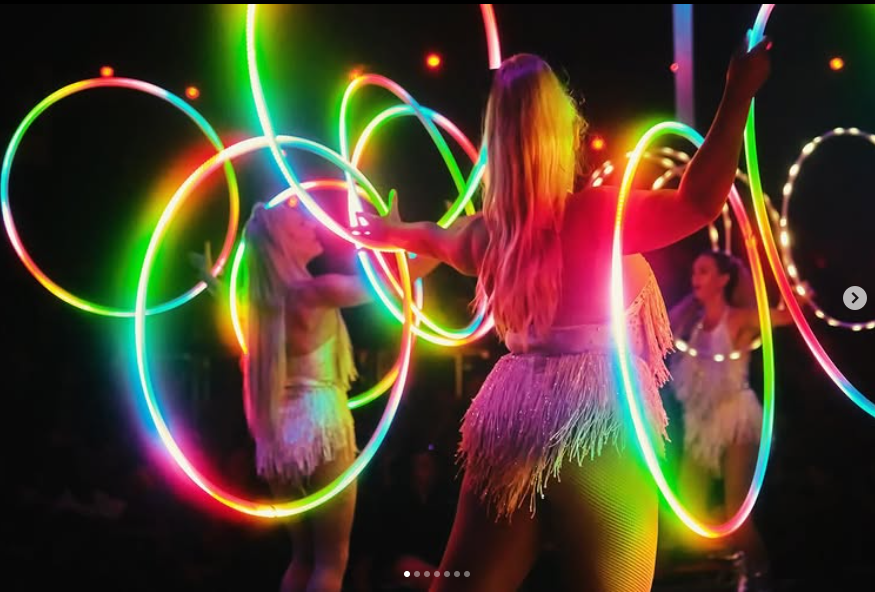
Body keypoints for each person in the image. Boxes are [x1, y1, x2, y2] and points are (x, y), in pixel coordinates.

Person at [356, 36, 771, 592]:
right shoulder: (598, 215)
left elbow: (434, 237)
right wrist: (738, 93)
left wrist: (390, 231)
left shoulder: (488, 236)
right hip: (597, 419)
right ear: (564, 129)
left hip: (510, 418)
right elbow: (697, 202)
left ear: (495, 140)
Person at [193, 201, 436, 592]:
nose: (313, 224)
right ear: (284, 241)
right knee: (331, 561)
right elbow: (395, 284)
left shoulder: (259, 304)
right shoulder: (312, 293)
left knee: (303, 558)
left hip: (276, 435)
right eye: (300, 221)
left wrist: (210, 279)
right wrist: (429, 240)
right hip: (320, 424)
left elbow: (227, 298)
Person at [665, 250, 796, 584]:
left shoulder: (738, 319)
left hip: (736, 417)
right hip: (700, 422)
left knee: (738, 510)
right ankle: (732, 563)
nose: (696, 278)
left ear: (723, 280)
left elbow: (787, 317)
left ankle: (759, 578)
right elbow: (654, 331)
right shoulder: (688, 323)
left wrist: (790, 278)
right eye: (694, 271)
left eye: (704, 271)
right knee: (686, 513)